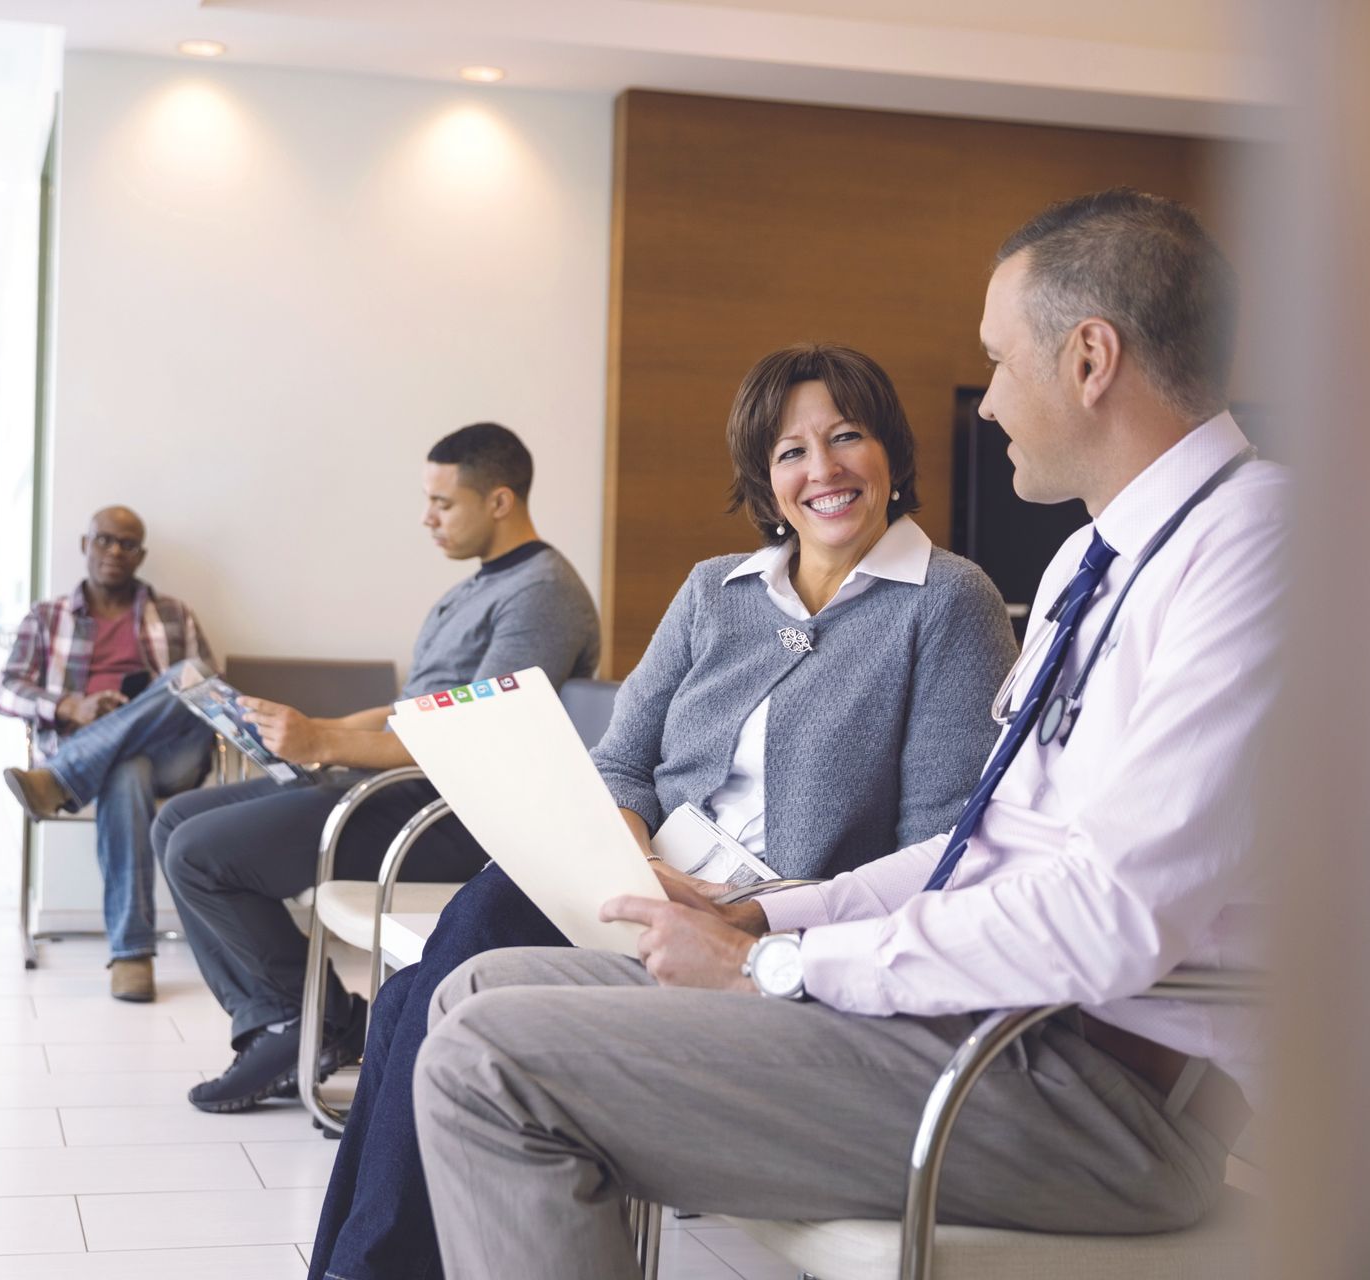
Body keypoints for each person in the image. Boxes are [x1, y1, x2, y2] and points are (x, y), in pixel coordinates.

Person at [413, 189, 1284, 1280]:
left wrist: (777, 965)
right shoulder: (1091, 563)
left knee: (488, 1063)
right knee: (479, 989)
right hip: (990, 1028)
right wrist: (757, 916)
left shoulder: (1263, 552)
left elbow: (1114, 917)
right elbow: (977, 849)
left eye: (1001, 362)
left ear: (1091, 358)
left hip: (1087, 1090)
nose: (987, 405)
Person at [308, 344, 1018, 1280]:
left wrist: (749, 908)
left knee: (424, 985)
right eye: (791, 453)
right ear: (765, 483)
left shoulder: (947, 601)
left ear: (891, 452)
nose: (824, 470)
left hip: (766, 924)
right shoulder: (712, 591)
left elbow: (935, 841)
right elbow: (622, 763)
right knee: (429, 975)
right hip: (634, 884)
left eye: (847, 437)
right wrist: (628, 851)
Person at [151, 422, 601, 1113]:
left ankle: (303, 1022)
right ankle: (298, 1020)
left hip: (449, 813)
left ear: (501, 501)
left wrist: (323, 745)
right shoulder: (471, 589)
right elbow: (412, 709)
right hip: (395, 783)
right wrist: (306, 731)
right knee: (175, 823)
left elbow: (471, 735)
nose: (427, 519)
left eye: (443, 504)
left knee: (198, 852)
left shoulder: (542, 595)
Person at [0, 506, 217, 1003]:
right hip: (95, 750)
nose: (114, 552)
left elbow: (209, 695)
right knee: (125, 770)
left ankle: (56, 782)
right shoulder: (47, 617)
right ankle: (132, 954)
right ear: (84, 544)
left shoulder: (175, 613)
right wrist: (72, 706)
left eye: (127, 544)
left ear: (141, 554)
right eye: (104, 540)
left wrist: (140, 709)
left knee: (193, 676)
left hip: (172, 756)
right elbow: (6, 690)